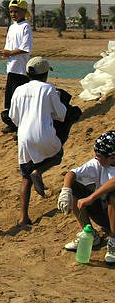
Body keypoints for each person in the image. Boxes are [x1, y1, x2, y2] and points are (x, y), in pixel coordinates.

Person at [8, 57, 67, 227]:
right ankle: (39, 171)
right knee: (58, 155)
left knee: (25, 177)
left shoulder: (19, 90)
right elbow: (61, 114)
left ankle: (23, 217)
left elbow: (13, 117)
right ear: (45, 74)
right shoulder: (49, 89)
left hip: (24, 135)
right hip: (44, 133)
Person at [57, 131, 115, 264]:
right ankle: (90, 235)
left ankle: (114, 241)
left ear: (112, 157)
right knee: (75, 186)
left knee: (113, 195)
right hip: (105, 214)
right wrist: (66, 190)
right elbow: (72, 173)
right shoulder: (99, 163)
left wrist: (91, 197)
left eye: (99, 156)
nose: (96, 158)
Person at [0, 0, 33, 132]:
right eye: (11, 12)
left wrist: (10, 53)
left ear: (23, 12)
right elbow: (8, 48)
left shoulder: (26, 27)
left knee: (20, 100)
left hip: (21, 70)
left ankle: (21, 127)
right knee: (10, 100)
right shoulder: (12, 27)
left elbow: (25, 48)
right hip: (11, 68)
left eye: (16, 12)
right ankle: (12, 124)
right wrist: (3, 53)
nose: (13, 14)